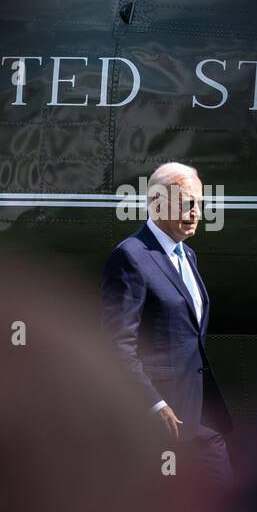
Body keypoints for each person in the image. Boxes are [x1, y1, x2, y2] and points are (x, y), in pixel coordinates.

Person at [100, 162, 234, 488]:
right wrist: (153, 404)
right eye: (187, 203)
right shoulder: (131, 257)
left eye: (199, 204)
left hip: (196, 413)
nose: (196, 213)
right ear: (158, 202)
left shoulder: (187, 256)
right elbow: (116, 342)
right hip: (163, 420)